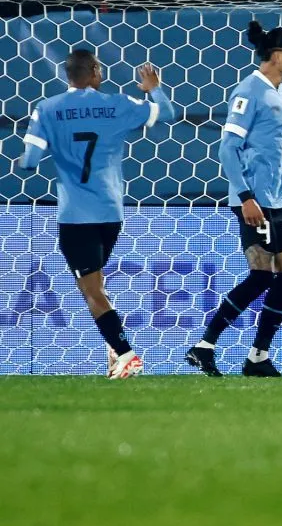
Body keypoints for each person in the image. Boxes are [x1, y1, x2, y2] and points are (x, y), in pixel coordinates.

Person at [19, 49, 176, 379]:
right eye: (100, 68)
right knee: (97, 286)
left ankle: (127, 354)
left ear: (67, 75)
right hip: (111, 212)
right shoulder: (117, 104)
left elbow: (31, 160)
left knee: (91, 291)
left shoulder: (47, 109)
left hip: (76, 215)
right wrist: (153, 89)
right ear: (93, 71)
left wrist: (27, 160)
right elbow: (167, 113)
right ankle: (113, 354)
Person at [185, 21, 282, 378]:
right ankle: (204, 346)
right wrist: (245, 196)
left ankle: (257, 357)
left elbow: (268, 148)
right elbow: (228, 148)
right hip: (253, 199)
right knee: (260, 275)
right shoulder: (248, 91)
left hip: (276, 199)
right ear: (277, 54)